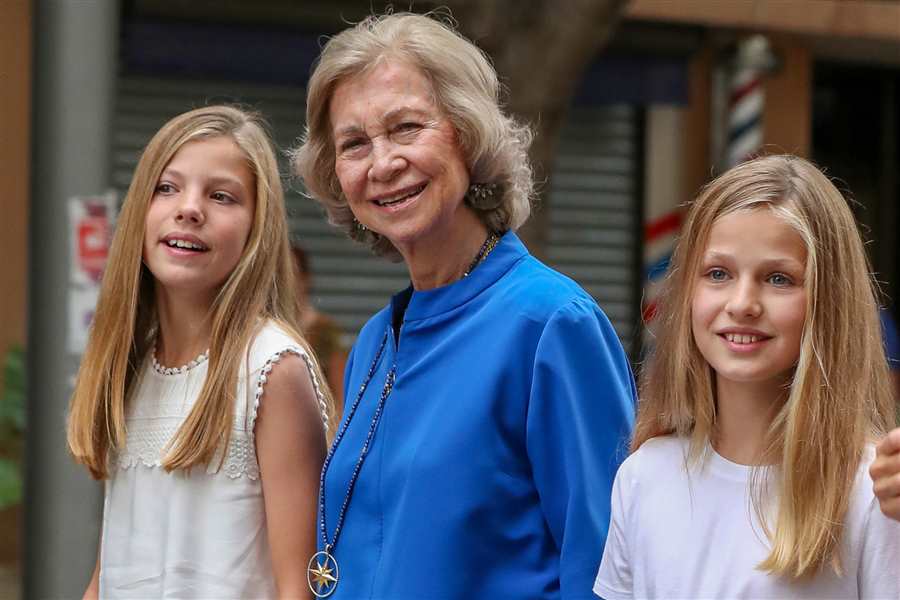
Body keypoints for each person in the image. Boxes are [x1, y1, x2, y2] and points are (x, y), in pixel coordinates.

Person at [292, 12, 636, 600]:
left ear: (468, 133)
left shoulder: (551, 324)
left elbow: (607, 567)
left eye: (405, 128)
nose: (382, 163)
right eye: (354, 144)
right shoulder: (376, 339)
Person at [594, 155, 900, 599]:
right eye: (718, 274)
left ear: (830, 301)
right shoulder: (644, 476)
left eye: (778, 279)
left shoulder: (873, 492)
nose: (742, 303)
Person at [67, 106, 330, 599]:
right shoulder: (131, 365)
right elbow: (113, 571)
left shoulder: (272, 368)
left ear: (258, 227)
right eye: (166, 187)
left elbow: (301, 586)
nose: (189, 208)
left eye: (221, 195)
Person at [292, 243, 348, 427]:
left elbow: (340, 394)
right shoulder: (267, 330)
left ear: (306, 279)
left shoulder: (325, 330)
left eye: (293, 273)